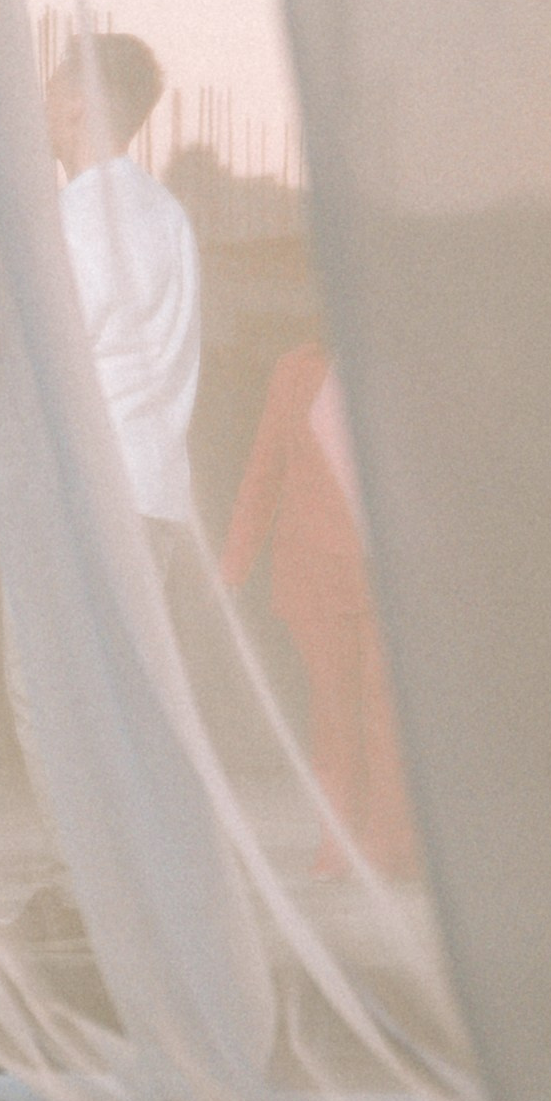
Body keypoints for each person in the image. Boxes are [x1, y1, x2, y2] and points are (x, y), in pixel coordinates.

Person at [222, 343, 414, 877]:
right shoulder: (296, 369)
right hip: (316, 575)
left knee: (387, 711)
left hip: (388, 576)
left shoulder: (403, 365)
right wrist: (233, 564)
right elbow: (265, 469)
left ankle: (388, 842)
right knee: (332, 714)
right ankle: (338, 844)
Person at [44, 34, 202, 561]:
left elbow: (46, 359)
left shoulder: (73, 219)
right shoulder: (167, 214)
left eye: (50, 88)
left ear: (76, 103)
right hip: (155, 492)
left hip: (89, 494)